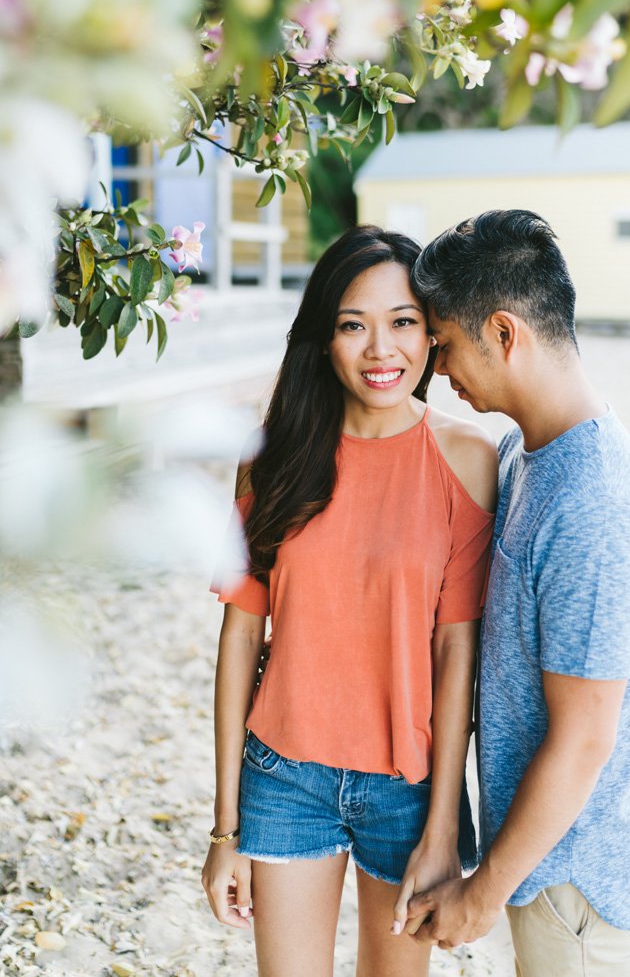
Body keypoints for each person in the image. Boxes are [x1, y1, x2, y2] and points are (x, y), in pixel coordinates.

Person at [202, 225, 497, 977]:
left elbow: (455, 648)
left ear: (431, 334)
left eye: (401, 321)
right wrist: (224, 830)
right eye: (351, 324)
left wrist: (441, 826)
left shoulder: (466, 461)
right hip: (284, 775)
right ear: (322, 338)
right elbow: (240, 635)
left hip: (407, 789)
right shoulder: (272, 455)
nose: (380, 349)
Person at [399, 209, 630, 977]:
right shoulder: (531, 449)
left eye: (446, 345)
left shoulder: (595, 506)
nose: (440, 370)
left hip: (581, 885)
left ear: (505, 333)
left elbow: (586, 736)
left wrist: (483, 892)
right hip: (549, 863)